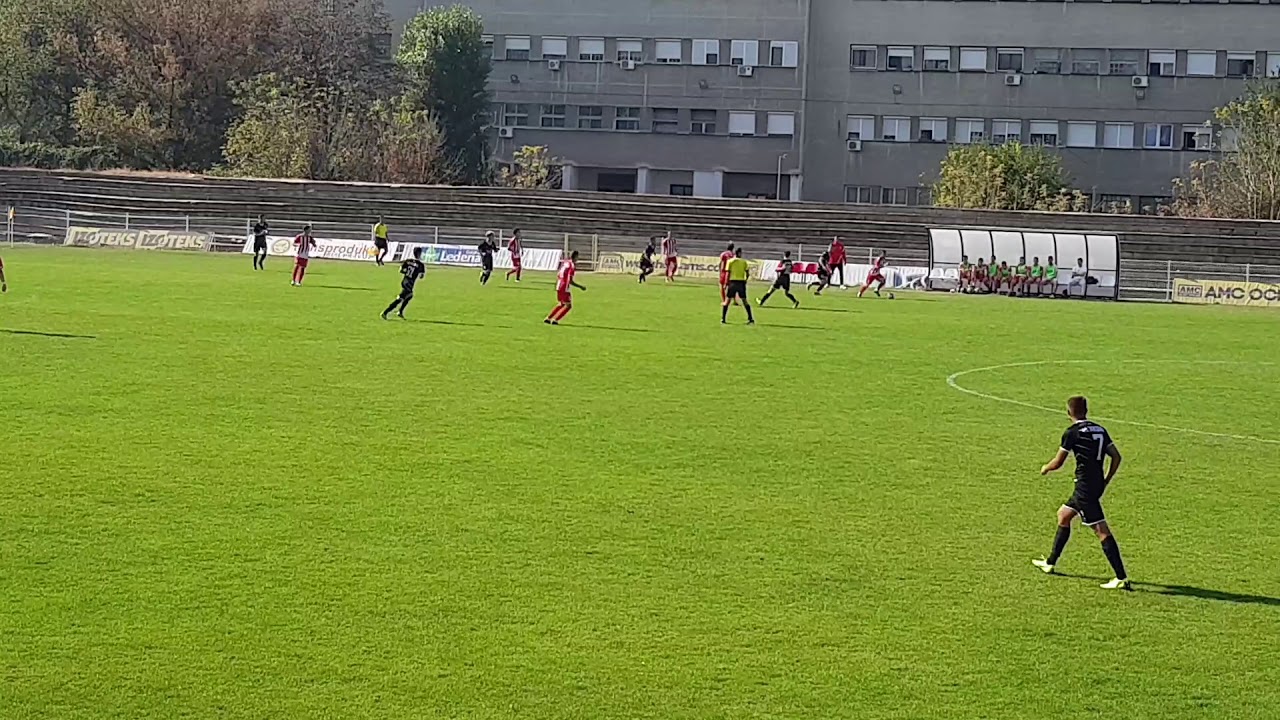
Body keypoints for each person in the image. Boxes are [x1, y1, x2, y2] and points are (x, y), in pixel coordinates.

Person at [1033, 396, 1130, 591]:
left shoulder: (1072, 432)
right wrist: (1106, 479)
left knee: (1101, 530)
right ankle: (1050, 563)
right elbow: (1116, 456)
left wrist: (1045, 468)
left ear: (1068, 412)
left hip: (1085, 487)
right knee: (1064, 515)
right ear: (1086, 410)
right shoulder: (1100, 429)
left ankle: (1121, 577)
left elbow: (1058, 462)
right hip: (1094, 484)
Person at [382, 247, 427, 319]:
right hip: (410, 284)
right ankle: (385, 312)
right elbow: (421, 276)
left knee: (410, 295)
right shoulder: (421, 265)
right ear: (419, 253)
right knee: (400, 299)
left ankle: (400, 312)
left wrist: (407, 273)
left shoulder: (408, 261)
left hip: (405, 281)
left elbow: (400, 270)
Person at [545, 250, 586, 325]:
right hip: (564, 287)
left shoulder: (565, 263)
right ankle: (555, 320)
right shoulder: (572, 266)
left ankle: (548, 318)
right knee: (568, 305)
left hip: (558, 285)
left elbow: (558, 274)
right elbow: (570, 281)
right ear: (575, 257)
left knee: (561, 304)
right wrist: (580, 287)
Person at [721, 247, 754, 324]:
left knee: (727, 301)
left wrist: (725, 283)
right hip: (741, 283)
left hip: (732, 282)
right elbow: (747, 273)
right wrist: (745, 280)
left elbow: (727, 273)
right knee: (745, 301)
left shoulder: (730, 261)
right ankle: (750, 318)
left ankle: (723, 319)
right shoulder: (744, 262)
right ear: (739, 253)